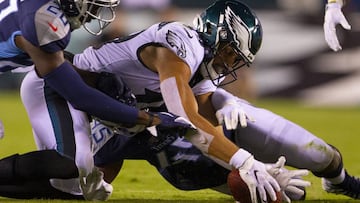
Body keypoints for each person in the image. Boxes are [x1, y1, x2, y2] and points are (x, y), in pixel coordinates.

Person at [0, 0, 193, 200]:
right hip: (41, 84)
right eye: (94, 5)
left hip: (38, 81)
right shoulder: (44, 20)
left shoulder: (42, 12)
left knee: (73, 172)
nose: (94, 14)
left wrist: (98, 79)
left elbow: (58, 68)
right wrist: (150, 119)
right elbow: (79, 96)